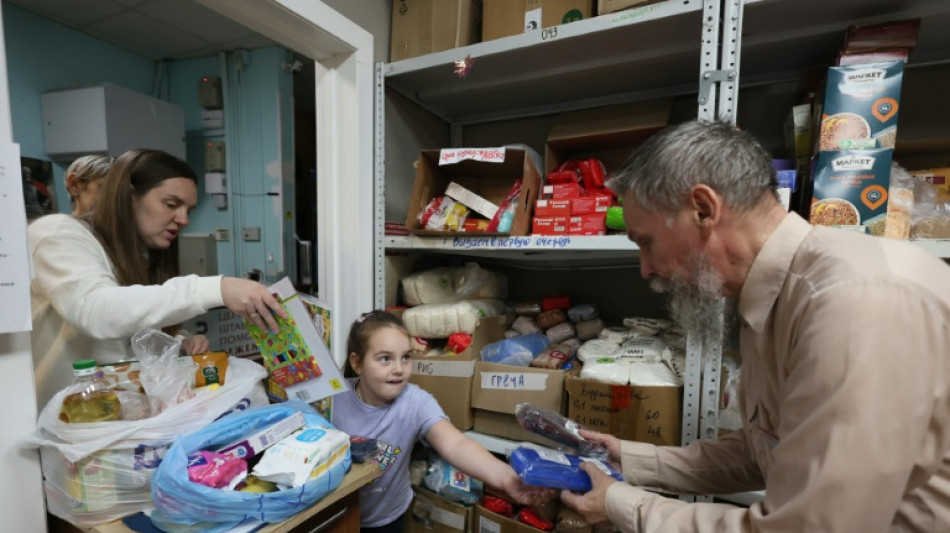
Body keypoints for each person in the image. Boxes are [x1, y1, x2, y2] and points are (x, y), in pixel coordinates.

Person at [559, 120, 950, 531]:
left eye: (646, 241)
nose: (645, 269)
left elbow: (807, 527)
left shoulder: (854, 301)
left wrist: (623, 505)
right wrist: (630, 459)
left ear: (703, 209)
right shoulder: (778, 295)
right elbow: (767, 449)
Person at [29, 148, 286, 407]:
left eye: (189, 210)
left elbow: (132, 324)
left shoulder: (136, 255)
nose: (183, 219)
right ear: (127, 198)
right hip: (70, 417)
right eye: (171, 205)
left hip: (120, 415)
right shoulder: (57, 234)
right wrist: (216, 288)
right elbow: (95, 310)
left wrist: (178, 342)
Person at [331, 310, 554, 532]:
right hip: (338, 514)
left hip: (389, 518)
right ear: (357, 363)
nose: (399, 369)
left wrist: (506, 477)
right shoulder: (333, 399)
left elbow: (456, 444)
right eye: (385, 359)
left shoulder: (416, 402)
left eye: (406, 357)